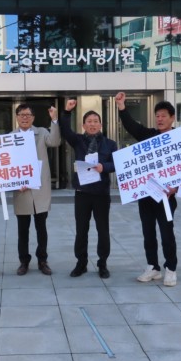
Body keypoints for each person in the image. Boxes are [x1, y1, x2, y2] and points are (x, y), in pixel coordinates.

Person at [115, 92, 179, 286]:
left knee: (167, 234)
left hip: (167, 197)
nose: (160, 119)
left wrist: (176, 187)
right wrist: (121, 106)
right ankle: (153, 267)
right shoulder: (149, 135)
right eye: (157, 116)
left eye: (163, 116)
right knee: (148, 233)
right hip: (147, 194)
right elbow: (131, 126)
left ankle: (171, 268)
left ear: (172, 118)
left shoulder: (180, 138)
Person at [60, 98, 117, 278]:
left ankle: (103, 263)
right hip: (82, 194)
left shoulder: (110, 144)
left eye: (95, 121)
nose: (92, 124)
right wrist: (67, 112)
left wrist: (104, 167)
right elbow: (64, 130)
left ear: (101, 124)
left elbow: (117, 164)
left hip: (101, 194)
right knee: (81, 230)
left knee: (103, 230)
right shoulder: (78, 141)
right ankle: (81, 263)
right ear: (83, 125)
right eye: (89, 121)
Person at [12, 103, 61, 276]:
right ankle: (24, 261)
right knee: (22, 230)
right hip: (21, 190)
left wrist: (54, 120)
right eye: (21, 114)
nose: (24, 117)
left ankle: (42, 260)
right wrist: (14, 182)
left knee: (41, 228)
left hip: (40, 189)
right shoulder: (10, 137)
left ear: (33, 118)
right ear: (17, 117)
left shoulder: (41, 132)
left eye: (28, 115)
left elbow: (55, 141)